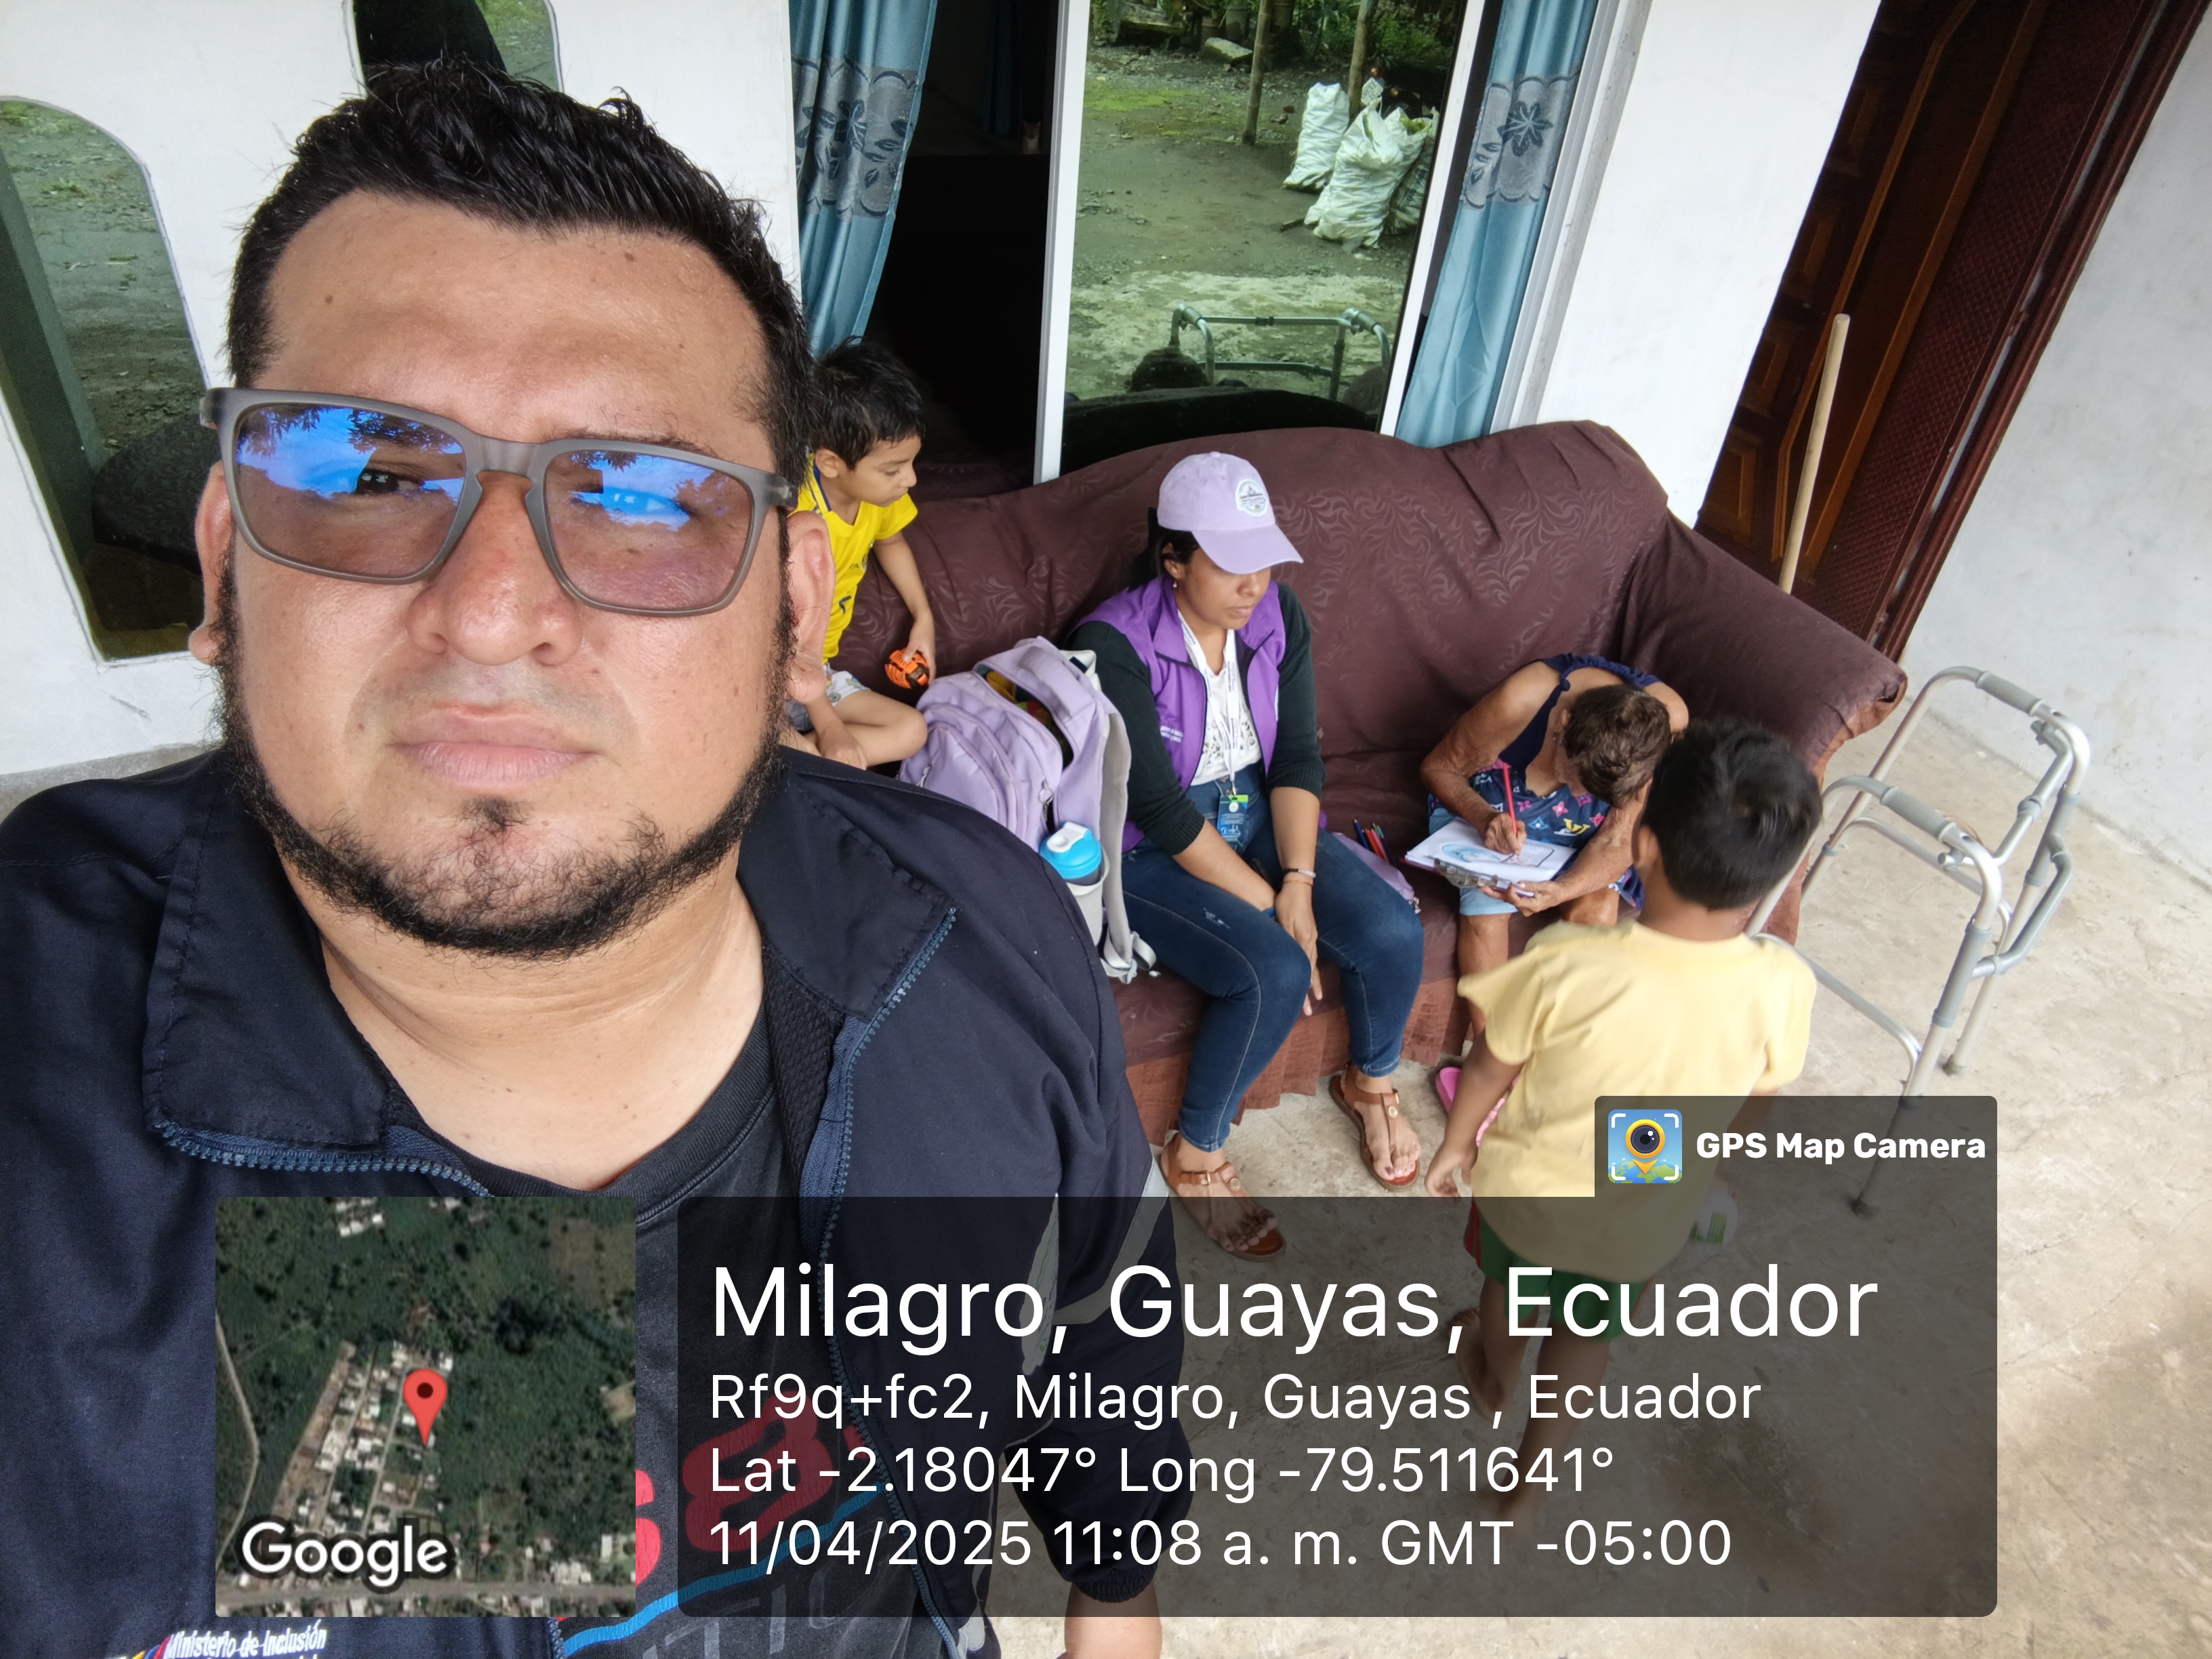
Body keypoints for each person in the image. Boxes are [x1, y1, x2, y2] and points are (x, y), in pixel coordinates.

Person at [0, 65, 1179, 1659]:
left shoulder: (988, 933)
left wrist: (1114, 1595)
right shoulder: (44, 1116)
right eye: (366, 474)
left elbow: (1105, 1334)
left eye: (640, 494)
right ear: (226, 563)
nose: (493, 612)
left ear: (793, 608)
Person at [1422, 718, 1821, 1522]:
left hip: (1530, 1199)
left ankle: (1493, 1378)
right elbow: (1760, 1096)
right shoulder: (1782, 984)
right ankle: (1531, 1483)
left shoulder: (1567, 961)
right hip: (1645, 1213)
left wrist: (1456, 1145)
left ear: (1642, 846)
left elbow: (1492, 1064)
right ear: (1772, 878)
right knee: (1586, 1335)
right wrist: (1713, 1169)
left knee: (1509, 1294)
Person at [1071, 453, 1427, 1254]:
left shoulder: (1278, 614)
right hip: (1149, 845)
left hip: (1255, 809)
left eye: (1264, 559)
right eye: (1232, 564)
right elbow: (1158, 809)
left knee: (1391, 929)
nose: (1254, 583)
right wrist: (1270, 908)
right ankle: (1194, 1153)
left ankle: (1369, 1082)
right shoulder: (1113, 643)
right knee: (1273, 967)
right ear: (1173, 558)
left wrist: (1298, 879)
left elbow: (1296, 756)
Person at [1419, 655, 1685, 1105]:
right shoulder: (1523, 700)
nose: (1577, 793)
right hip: (1493, 803)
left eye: (1596, 792)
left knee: (1597, 910)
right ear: (1563, 726)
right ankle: (1491, 1065)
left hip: (1585, 828)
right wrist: (1485, 818)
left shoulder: (1662, 727)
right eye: (1573, 778)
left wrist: (1562, 890)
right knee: (1488, 905)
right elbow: (1438, 768)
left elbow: (1617, 839)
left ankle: (1566, 1058)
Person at [785, 340, 933, 769]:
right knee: (823, 754)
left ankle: (797, 757)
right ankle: (798, 754)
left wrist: (923, 617)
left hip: (821, 670)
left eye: (911, 463)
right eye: (893, 469)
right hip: (774, 675)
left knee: (912, 731)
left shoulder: (877, 498)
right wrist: (830, 728)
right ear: (830, 463)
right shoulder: (795, 517)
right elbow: (781, 637)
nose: (910, 479)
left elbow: (891, 542)